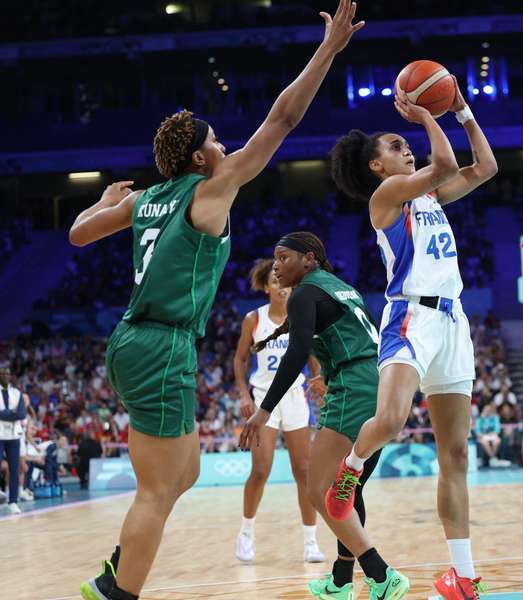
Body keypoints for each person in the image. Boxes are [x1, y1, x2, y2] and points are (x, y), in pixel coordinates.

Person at [69, 4, 363, 599]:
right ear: (201, 159)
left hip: (135, 341)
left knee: (186, 472)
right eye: (217, 141)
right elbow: (281, 119)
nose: (227, 146)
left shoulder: (145, 199)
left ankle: (116, 571)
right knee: (158, 488)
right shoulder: (210, 190)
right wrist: (327, 50)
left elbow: (78, 233)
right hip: (161, 343)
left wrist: (102, 201)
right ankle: (115, 592)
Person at [328, 72, 497, 599]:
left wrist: (463, 110)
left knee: (456, 454)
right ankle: (351, 470)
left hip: (453, 322)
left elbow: (485, 167)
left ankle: (462, 576)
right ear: (378, 166)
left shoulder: (430, 199)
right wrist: (427, 113)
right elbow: (444, 163)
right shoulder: (385, 199)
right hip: (410, 318)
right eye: (397, 146)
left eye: (407, 144)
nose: (407, 149)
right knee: (394, 419)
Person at [240, 232, 409, 600]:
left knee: (320, 490)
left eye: (284, 257)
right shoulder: (339, 287)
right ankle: (340, 582)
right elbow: (342, 336)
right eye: (274, 258)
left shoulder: (304, 293)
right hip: (377, 379)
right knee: (351, 487)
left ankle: (382, 576)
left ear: (309, 258)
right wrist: (327, 375)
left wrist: (264, 409)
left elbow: (297, 352)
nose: (277, 265)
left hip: (354, 385)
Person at [233, 258, 324, 564]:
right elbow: (240, 359)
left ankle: (311, 541)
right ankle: (246, 533)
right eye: (275, 282)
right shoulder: (254, 320)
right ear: (266, 287)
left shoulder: (302, 318)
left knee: (304, 472)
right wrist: (244, 394)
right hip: (263, 400)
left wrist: (319, 378)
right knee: (260, 470)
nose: (281, 287)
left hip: (295, 398)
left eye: (284, 282)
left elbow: (313, 358)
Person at [0, 366, 26, 514]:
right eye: (2, 373)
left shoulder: (17, 393)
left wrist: (4, 414)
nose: (5, 375)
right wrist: (12, 414)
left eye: (7, 373)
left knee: (15, 469)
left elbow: (22, 414)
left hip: (14, 436)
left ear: (10, 376)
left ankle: (13, 501)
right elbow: (16, 414)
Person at [474, 403, 502, 467]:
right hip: (483, 436)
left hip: (492, 435)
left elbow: (497, 430)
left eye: (489, 410)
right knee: (484, 442)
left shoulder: (495, 418)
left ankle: (492, 459)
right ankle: (493, 458)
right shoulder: (480, 418)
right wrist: (482, 418)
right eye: (486, 410)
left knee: (497, 441)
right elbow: (477, 431)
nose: (487, 411)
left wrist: (492, 434)